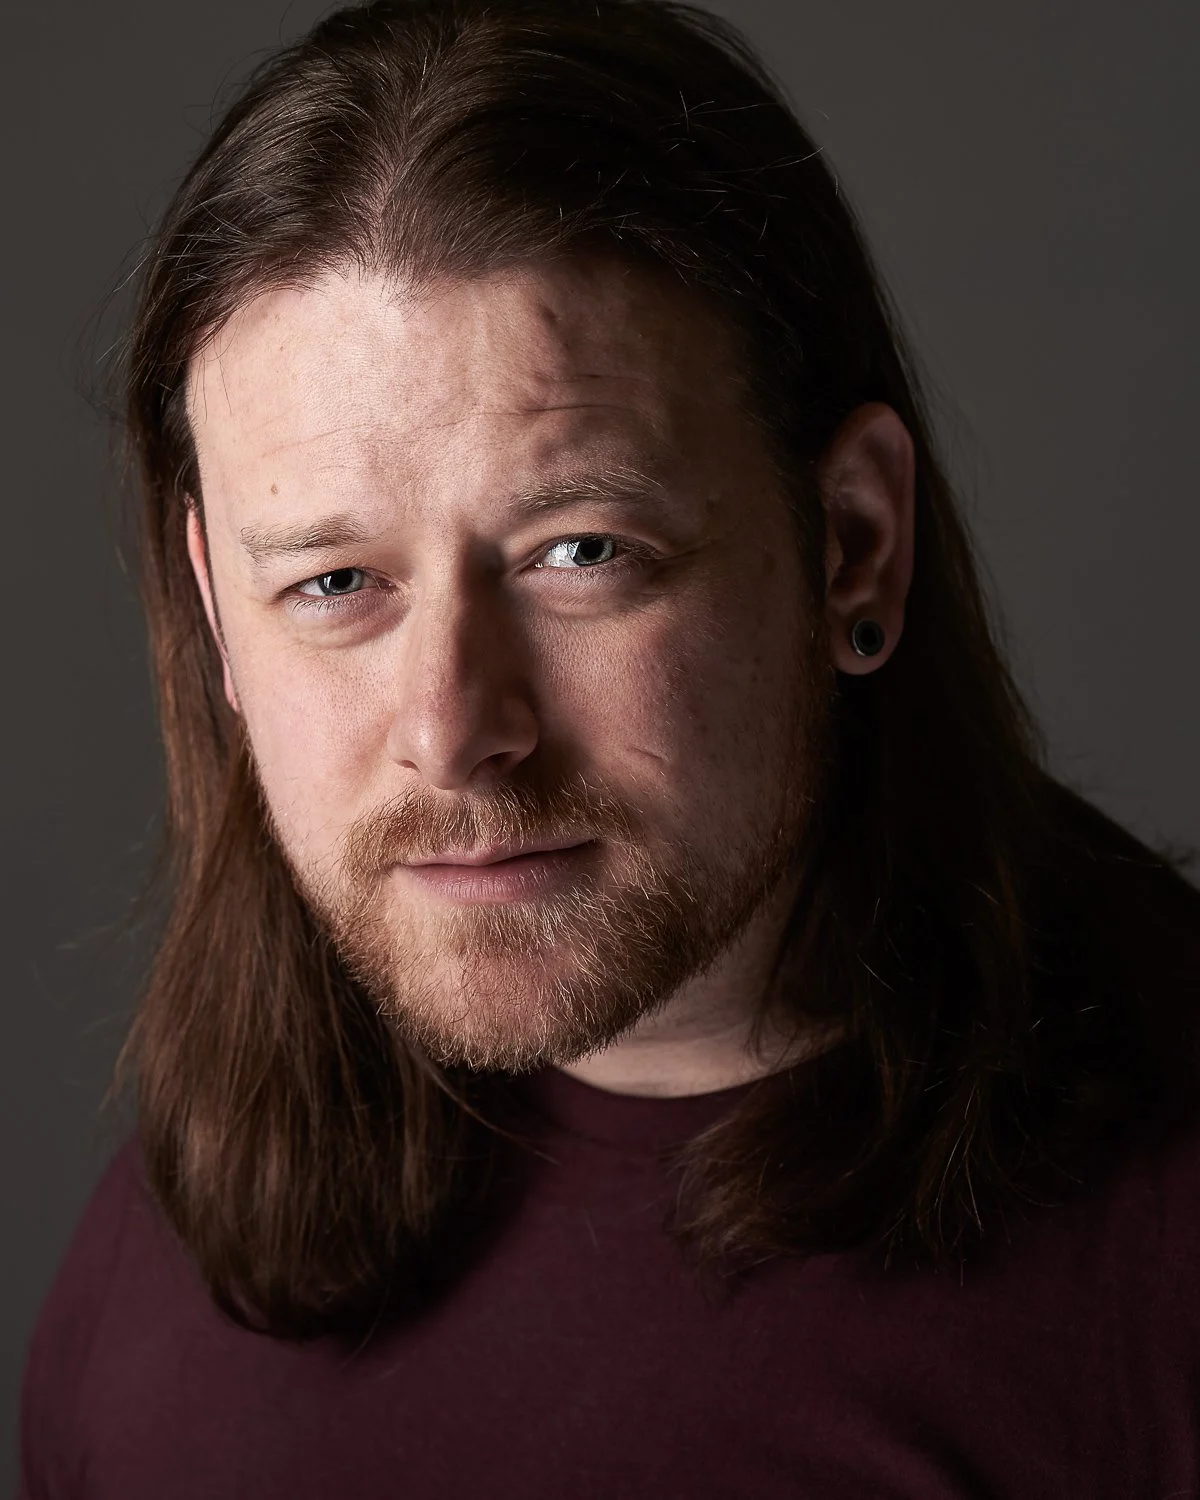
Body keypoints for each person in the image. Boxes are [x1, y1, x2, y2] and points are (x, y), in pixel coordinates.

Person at [19, 0, 1200, 1494]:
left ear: (853, 544)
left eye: (580, 551)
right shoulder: (186, 1233)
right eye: (332, 584)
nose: (454, 733)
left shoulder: (1158, 1284)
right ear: (215, 615)